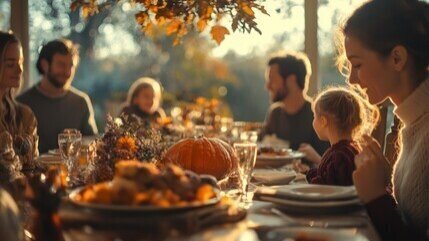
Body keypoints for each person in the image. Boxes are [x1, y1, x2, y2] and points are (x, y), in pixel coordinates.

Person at [339, 0, 429, 240]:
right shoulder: (411, 122)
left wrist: (376, 196)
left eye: (357, 64)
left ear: (397, 58)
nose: (351, 80)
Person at [17, 39, 98, 153]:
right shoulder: (22, 104)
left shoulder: (81, 102)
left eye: (71, 66)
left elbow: (92, 143)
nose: (67, 72)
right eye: (61, 65)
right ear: (45, 65)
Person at [259, 51, 329, 160]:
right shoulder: (275, 113)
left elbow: (328, 164)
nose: (267, 86)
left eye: (272, 79)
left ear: (291, 80)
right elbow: (260, 149)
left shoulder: (318, 115)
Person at [306, 87, 379, 186]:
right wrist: (308, 173)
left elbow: (328, 188)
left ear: (323, 121)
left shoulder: (339, 156)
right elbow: (327, 175)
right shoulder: (353, 149)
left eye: (314, 116)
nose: (313, 120)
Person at [0, 31, 38, 181]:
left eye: (20, 62)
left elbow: (32, 164)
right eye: (10, 64)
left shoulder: (25, 114)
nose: (20, 70)